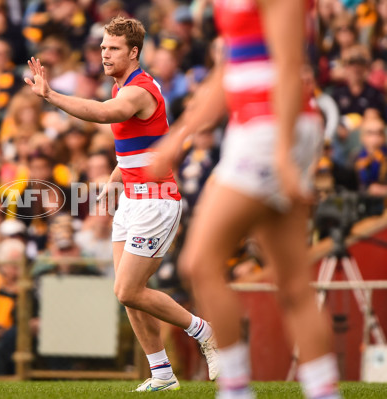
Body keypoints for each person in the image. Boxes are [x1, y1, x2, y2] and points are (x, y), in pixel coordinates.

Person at [150, 1, 341, 398]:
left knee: (199, 263)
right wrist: (177, 137)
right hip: (253, 129)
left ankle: (235, 388)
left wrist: (284, 153)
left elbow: (290, 66)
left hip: (271, 129)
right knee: (292, 284)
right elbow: (230, 69)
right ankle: (324, 390)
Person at [25, 16, 218, 391]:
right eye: (102, 47)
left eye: (113, 48)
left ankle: (204, 331)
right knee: (129, 294)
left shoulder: (137, 91)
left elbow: (103, 114)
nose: (104, 54)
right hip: (132, 199)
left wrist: (50, 95)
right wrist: (114, 182)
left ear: (133, 52)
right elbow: (137, 148)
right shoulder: (124, 86)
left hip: (157, 201)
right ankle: (162, 373)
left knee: (128, 290)